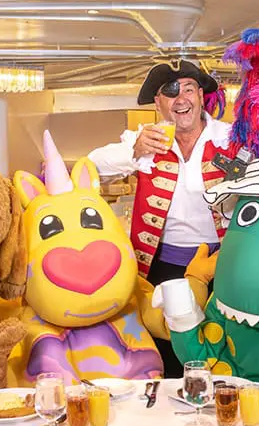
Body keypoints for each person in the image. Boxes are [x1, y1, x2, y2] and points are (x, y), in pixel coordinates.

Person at [88, 60, 238, 376]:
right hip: (163, 267)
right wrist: (134, 152)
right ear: (159, 104)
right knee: (168, 351)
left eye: (188, 89)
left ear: (200, 96)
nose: (181, 99)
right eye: (170, 93)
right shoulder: (144, 141)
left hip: (223, 263)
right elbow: (90, 168)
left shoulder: (230, 138)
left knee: (222, 344)